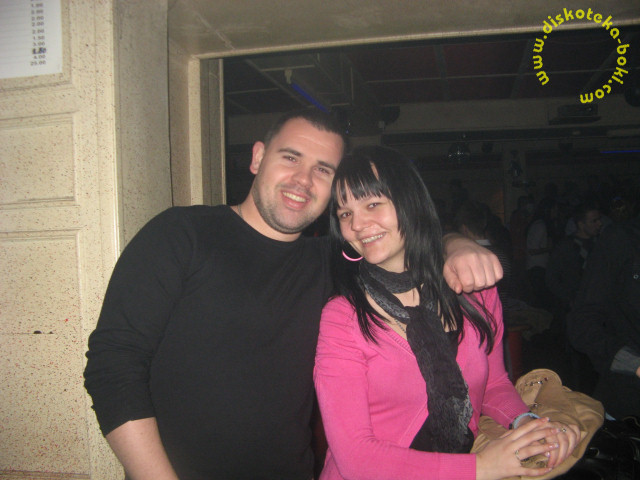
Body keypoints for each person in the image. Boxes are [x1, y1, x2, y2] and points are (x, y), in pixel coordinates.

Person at [83, 109, 503, 480]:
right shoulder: (181, 234)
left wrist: (455, 244)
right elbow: (113, 367)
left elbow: (398, 241)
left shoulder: (333, 261)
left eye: (323, 169)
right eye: (290, 157)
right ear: (257, 157)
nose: (303, 180)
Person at [314, 145, 579, 480]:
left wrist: (525, 423)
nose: (358, 224)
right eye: (345, 213)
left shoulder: (472, 290)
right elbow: (355, 458)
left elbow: (493, 384)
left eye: (372, 204)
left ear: (411, 202)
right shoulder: (343, 318)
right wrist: (482, 467)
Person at [567, 212, 640, 419]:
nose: (598, 224)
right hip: (628, 403)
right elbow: (582, 324)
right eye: (593, 220)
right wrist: (634, 364)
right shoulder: (622, 240)